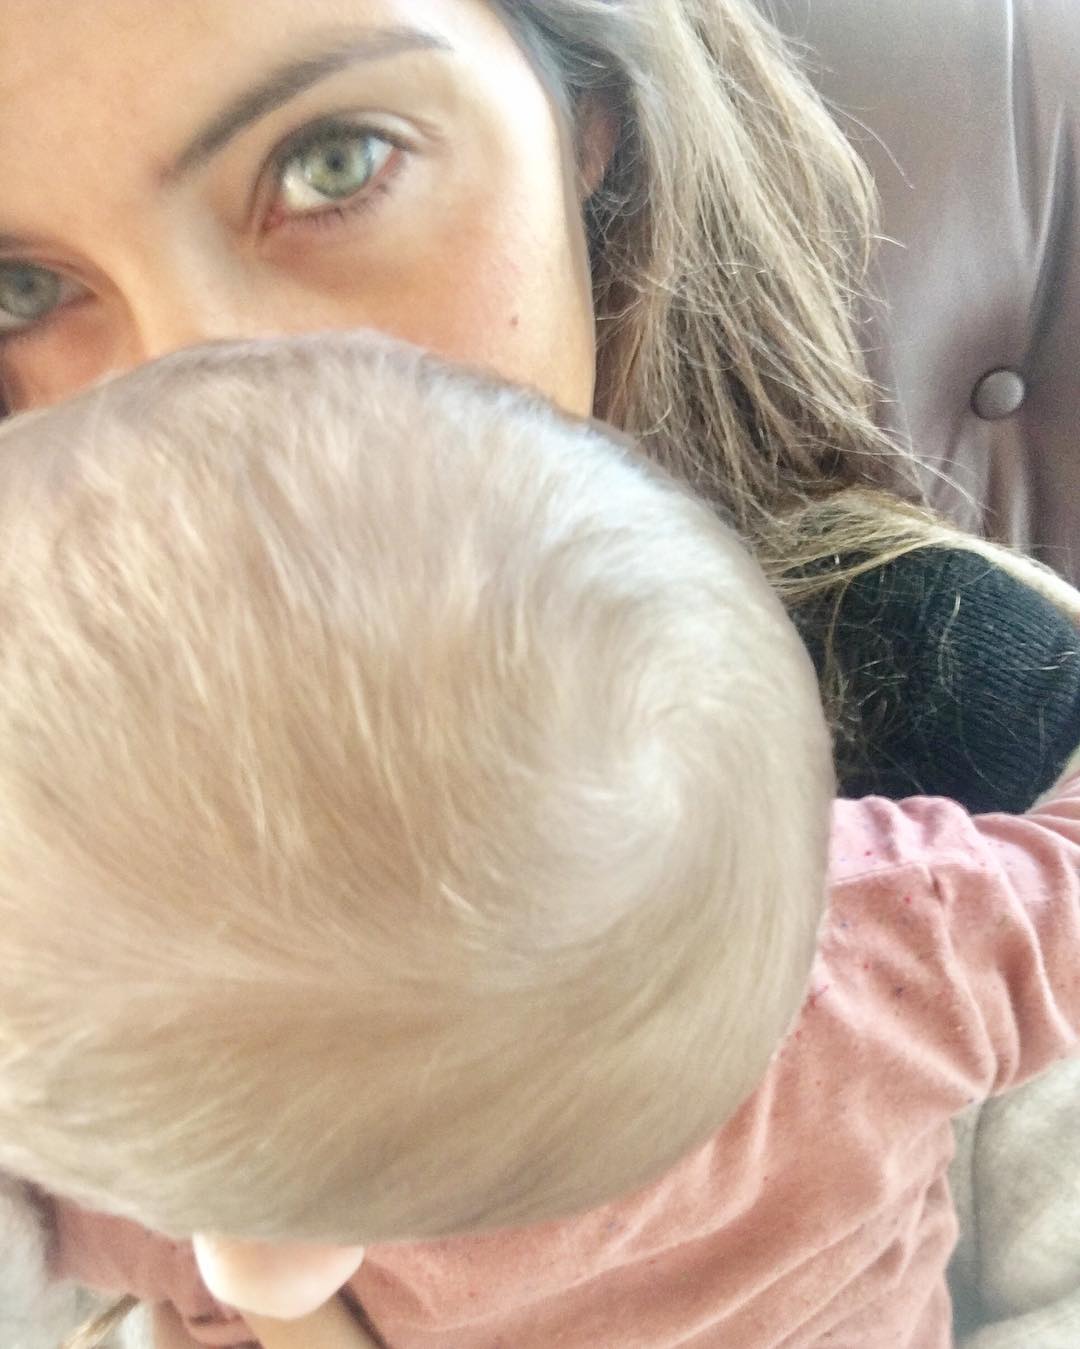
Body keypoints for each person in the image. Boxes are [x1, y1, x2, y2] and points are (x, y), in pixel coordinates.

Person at [1, 0, 1079, 1340]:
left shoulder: (974, 688)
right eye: (17, 291)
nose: (205, 394)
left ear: (589, 127)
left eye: (332, 161)